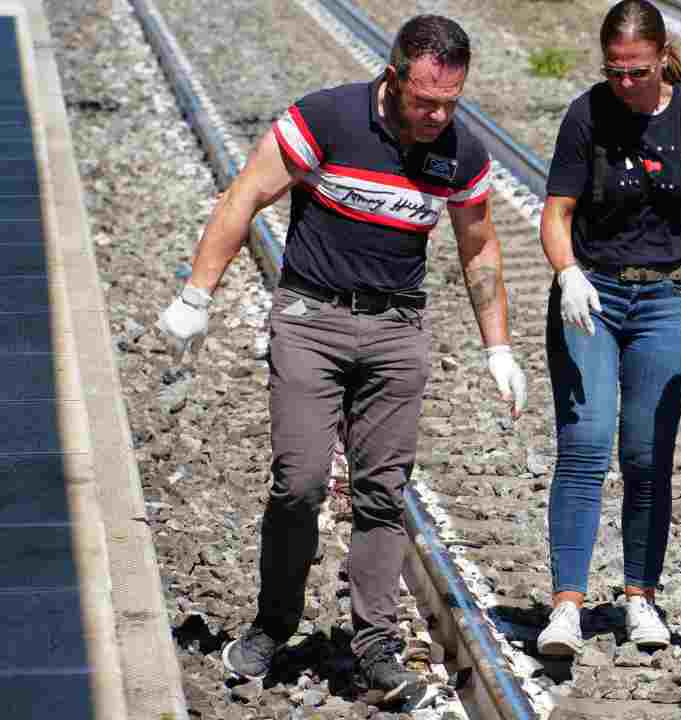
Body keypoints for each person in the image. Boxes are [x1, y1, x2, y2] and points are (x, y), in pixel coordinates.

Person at [156, 15, 527, 710]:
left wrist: (498, 347)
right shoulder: (325, 120)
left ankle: (376, 647)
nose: (437, 116)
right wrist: (196, 295)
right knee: (297, 483)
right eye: (425, 102)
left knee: (383, 493)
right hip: (311, 319)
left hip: (396, 329)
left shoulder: (460, 151)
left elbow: (479, 247)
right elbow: (247, 196)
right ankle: (274, 624)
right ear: (391, 80)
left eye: (451, 102)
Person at [534, 0, 681, 657]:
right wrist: (567, 272)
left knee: (648, 452)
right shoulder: (586, 115)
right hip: (591, 295)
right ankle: (566, 607)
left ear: (662, 59)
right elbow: (556, 211)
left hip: (666, 299)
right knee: (587, 439)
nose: (625, 84)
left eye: (638, 72)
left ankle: (640, 598)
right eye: (615, 72)